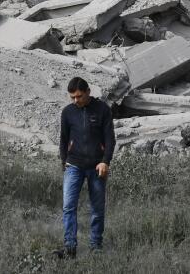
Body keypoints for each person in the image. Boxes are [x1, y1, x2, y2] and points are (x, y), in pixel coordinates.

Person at [58, 76, 115, 258]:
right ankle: (70, 247)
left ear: (88, 92)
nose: (76, 100)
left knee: (97, 209)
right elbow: (63, 139)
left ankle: (95, 246)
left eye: (79, 96)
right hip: (73, 165)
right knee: (68, 206)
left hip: (96, 167)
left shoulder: (103, 110)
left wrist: (105, 161)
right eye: (73, 97)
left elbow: (110, 139)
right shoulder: (67, 112)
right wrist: (64, 160)